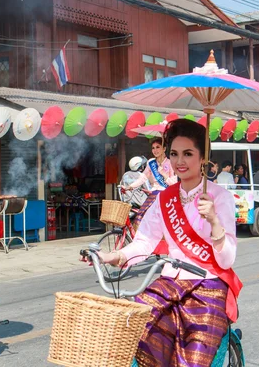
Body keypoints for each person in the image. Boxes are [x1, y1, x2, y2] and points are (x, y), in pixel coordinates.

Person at [98, 119, 241, 367]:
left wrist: (215, 221)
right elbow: (144, 242)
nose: (179, 162)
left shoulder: (220, 197)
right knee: (139, 329)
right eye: (174, 154)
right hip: (169, 282)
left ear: (203, 157)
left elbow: (227, 260)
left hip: (207, 284)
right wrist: (115, 257)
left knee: (194, 357)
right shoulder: (164, 198)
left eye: (188, 153)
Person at [126, 137, 177, 228]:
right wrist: (130, 186)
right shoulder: (151, 163)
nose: (155, 150)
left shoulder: (170, 163)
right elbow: (143, 177)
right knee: (141, 216)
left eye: (158, 147)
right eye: (153, 148)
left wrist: (164, 174)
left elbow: (174, 183)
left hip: (166, 195)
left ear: (164, 149)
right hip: (154, 194)